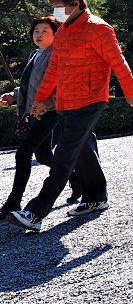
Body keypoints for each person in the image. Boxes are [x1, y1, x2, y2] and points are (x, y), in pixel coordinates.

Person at [7, 0, 133, 233]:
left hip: (90, 100)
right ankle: (96, 196)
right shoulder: (64, 32)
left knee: (64, 154)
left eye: (58, 6)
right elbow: (53, 71)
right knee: (81, 149)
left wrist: (131, 91)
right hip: (65, 101)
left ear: (76, 4)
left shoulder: (100, 29)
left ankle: (36, 213)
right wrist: (40, 100)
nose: (55, 11)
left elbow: (118, 61)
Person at [1, 17, 81, 217]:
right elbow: (31, 85)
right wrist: (13, 95)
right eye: (36, 31)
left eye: (45, 31)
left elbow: (63, 86)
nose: (39, 34)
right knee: (44, 156)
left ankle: (14, 201)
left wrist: (48, 103)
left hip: (50, 112)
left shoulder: (56, 55)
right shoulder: (35, 54)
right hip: (35, 111)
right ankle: (74, 177)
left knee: (23, 152)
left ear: (56, 34)